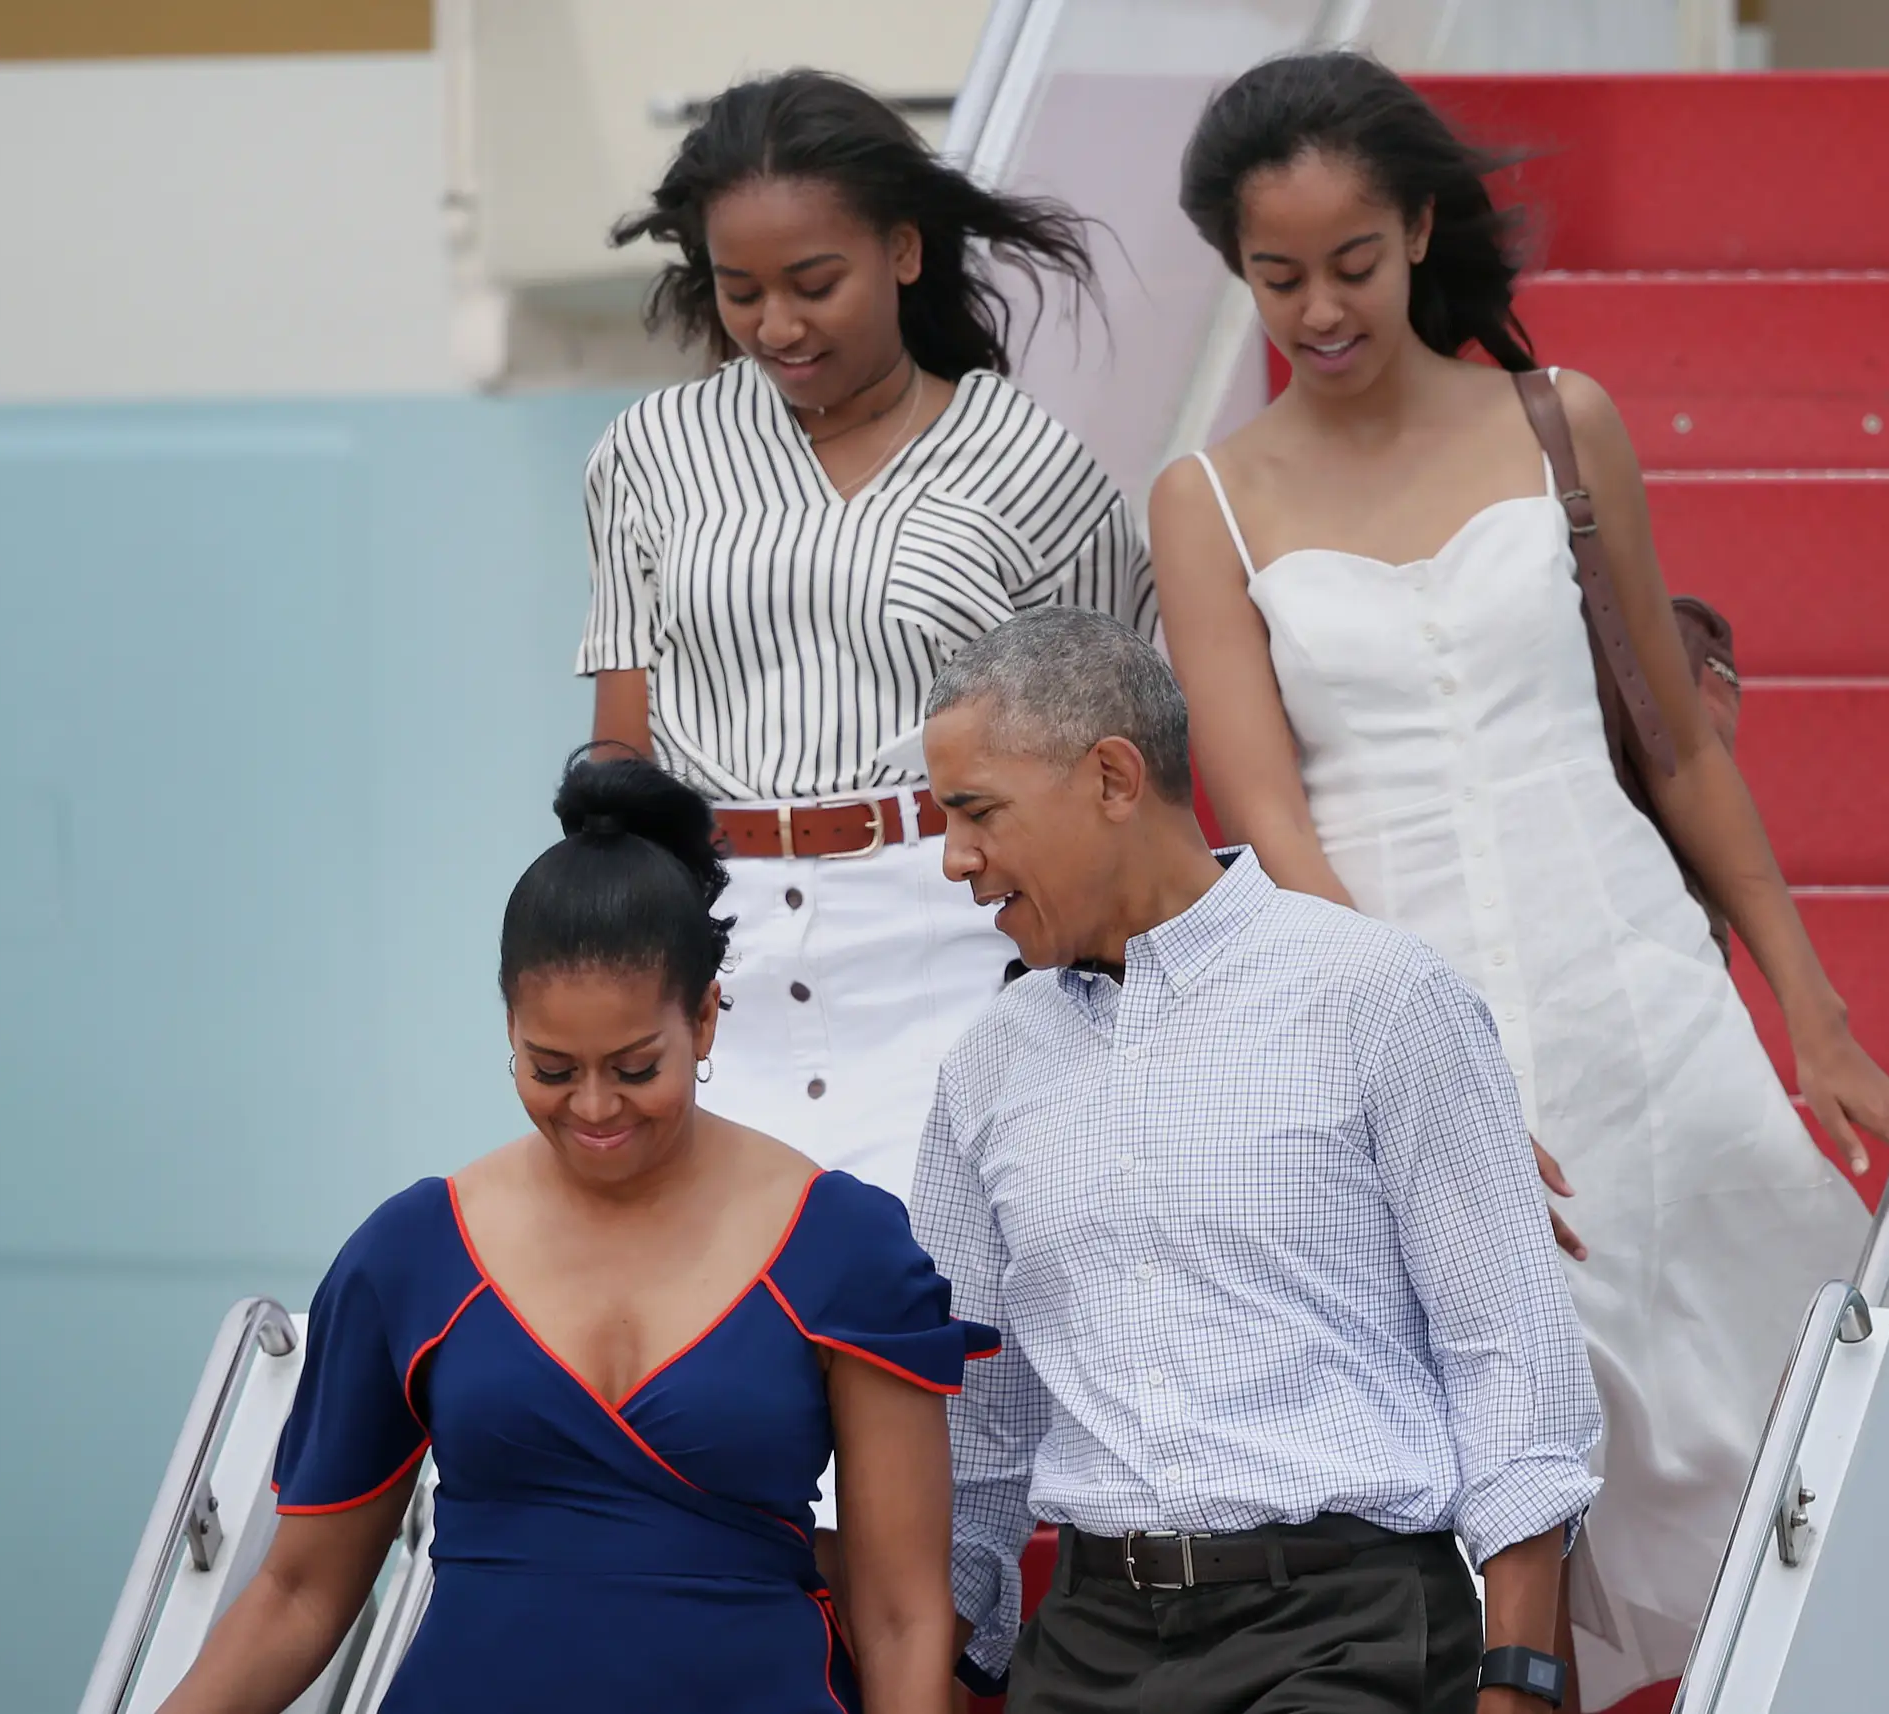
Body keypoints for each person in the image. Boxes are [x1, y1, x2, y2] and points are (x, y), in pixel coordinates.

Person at [1146, 51, 1889, 1703]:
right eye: (1274, 272)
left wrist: (1809, 1014)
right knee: (1487, 1441)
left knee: (1751, 1377)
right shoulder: (1205, 497)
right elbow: (1272, 822)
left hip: (1628, 972)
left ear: (1418, 225)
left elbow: (1672, 744)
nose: (1316, 305)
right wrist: (1409, 1061)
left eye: (1351, 262)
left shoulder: (1558, 419)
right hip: (1389, 982)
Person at [154, 753, 994, 1714]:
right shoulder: (412, 1253)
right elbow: (299, 1591)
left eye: (637, 1067)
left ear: (706, 1020)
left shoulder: (844, 1244)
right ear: (508, 1027)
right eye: (550, 1068)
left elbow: (901, 1613)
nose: (595, 1108)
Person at [909, 610, 1602, 1714]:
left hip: (1346, 1633)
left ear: (1113, 777)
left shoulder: (1379, 996)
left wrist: (1518, 1683)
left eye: (976, 811)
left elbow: (1514, 1368)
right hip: (1086, 1646)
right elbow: (973, 1436)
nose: (956, 859)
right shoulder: (985, 1068)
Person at [581, 68, 1154, 1260]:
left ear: (903, 250)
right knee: (738, 1336)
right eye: (741, 292)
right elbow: (621, 763)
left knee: (948, 1321)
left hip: (957, 937)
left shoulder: (1030, 460)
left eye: (813, 282)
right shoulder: (650, 452)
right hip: (719, 949)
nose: (777, 326)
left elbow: (1120, 763)